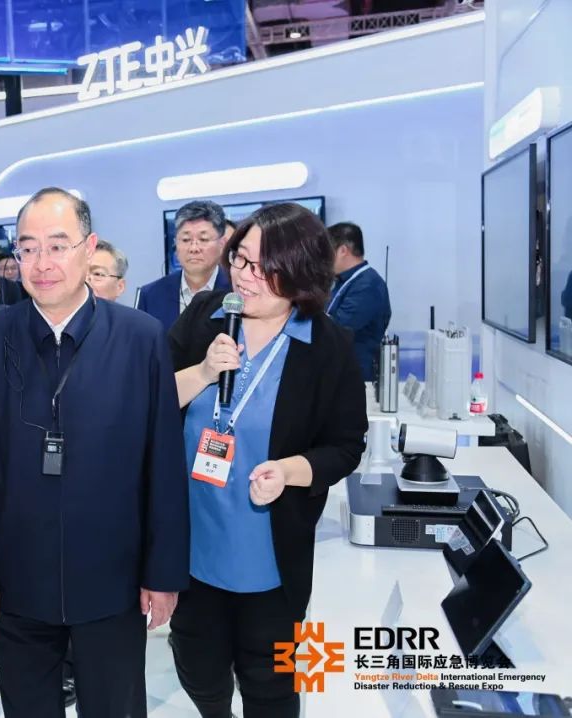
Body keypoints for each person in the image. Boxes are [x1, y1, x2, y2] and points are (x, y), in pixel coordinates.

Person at [0, 188, 189, 718]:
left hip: (114, 578)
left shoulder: (141, 338)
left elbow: (163, 464)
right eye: (28, 248)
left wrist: (163, 572)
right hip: (16, 581)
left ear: (89, 247)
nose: (42, 263)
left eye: (58, 246)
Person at [168, 203, 367, 718]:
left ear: (300, 272)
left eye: (262, 267)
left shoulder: (328, 345)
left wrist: (291, 471)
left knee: (273, 684)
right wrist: (202, 373)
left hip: (271, 554)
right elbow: (149, 401)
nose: (244, 276)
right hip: (192, 545)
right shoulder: (205, 316)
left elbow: (347, 445)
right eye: (239, 259)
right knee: (197, 667)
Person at [136, 200, 231, 331]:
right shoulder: (151, 294)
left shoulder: (236, 291)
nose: (194, 248)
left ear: (222, 244)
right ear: (175, 244)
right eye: (186, 240)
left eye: (203, 239)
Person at [326, 222, 391, 381]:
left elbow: (337, 328)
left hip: (356, 378)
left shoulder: (367, 285)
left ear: (343, 250)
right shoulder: (344, 282)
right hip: (339, 373)